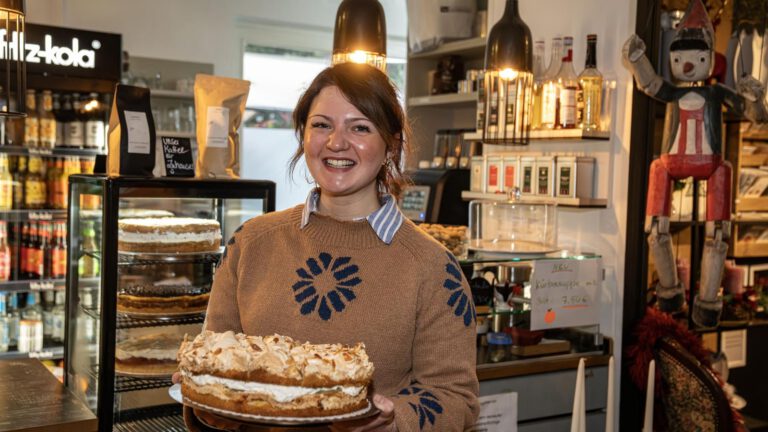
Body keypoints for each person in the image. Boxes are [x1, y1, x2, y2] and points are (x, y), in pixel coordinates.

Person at [181, 62, 480, 432]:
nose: (337, 142)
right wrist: (207, 405)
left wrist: (392, 423)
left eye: (360, 127)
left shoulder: (433, 267)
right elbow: (212, 366)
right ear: (303, 136)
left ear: (392, 145)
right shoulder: (249, 244)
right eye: (322, 125)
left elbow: (455, 398)